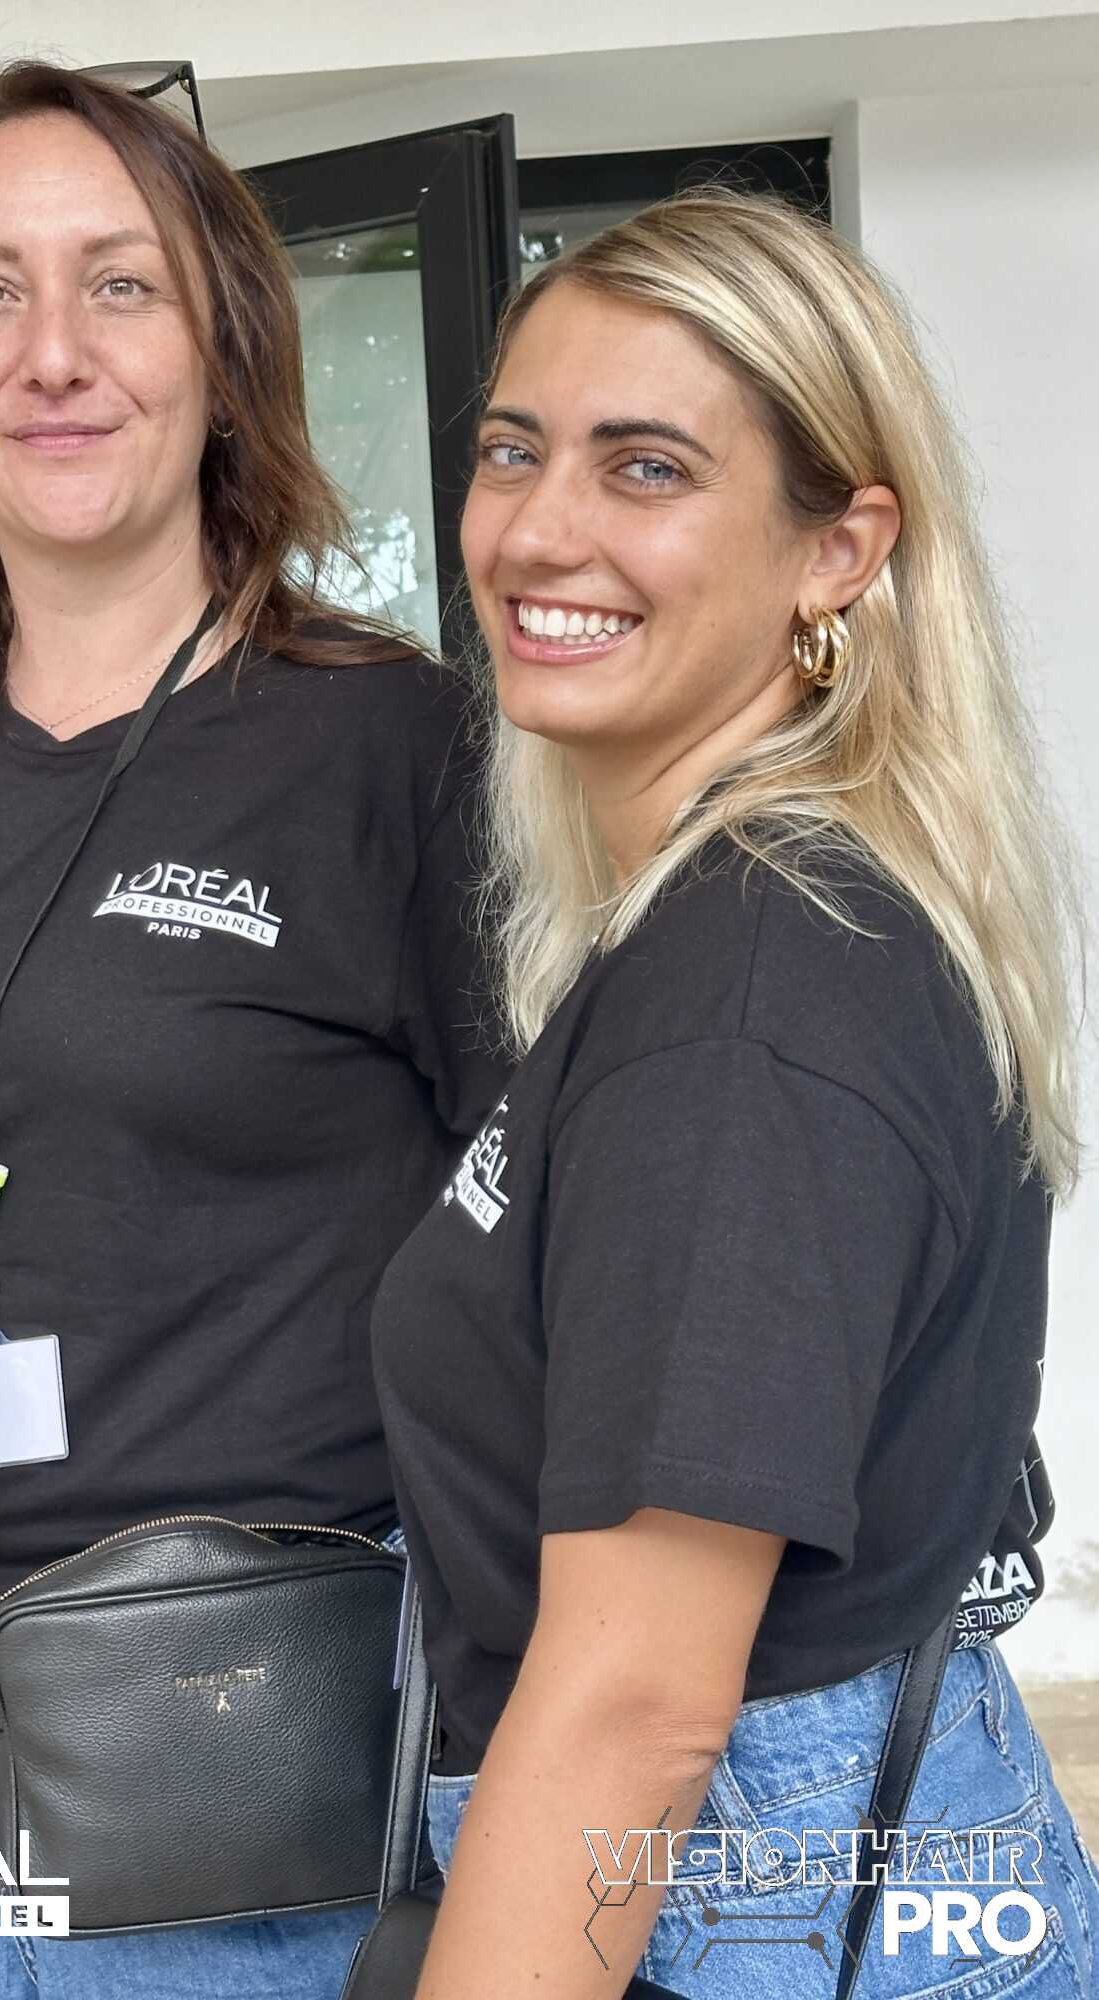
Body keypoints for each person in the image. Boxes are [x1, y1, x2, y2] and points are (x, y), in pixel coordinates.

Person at [0, 60, 504, 2000]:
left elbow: (555, 1259)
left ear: (223, 347)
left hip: (233, 1752)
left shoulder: (399, 749)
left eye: (121, 283)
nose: (53, 352)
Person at [371, 190, 1099, 1999]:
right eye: (514, 449)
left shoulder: (752, 991)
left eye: (647, 468)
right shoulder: (771, 910)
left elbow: (633, 1709)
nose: (537, 528)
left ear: (837, 551)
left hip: (750, 1899)